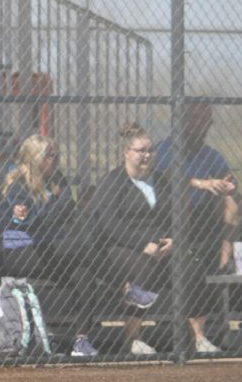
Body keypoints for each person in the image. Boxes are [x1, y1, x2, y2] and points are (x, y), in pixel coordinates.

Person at [87, 122, 221, 355]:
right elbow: (108, 224)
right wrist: (142, 245)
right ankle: (132, 338)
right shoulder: (113, 181)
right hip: (120, 248)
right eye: (141, 150)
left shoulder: (160, 181)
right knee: (144, 269)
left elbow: (176, 217)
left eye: (150, 150)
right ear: (127, 153)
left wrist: (175, 240)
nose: (147, 155)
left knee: (192, 268)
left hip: (161, 246)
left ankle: (199, 338)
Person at [154, 101, 242, 351]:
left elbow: (228, 179)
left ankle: (225, 261)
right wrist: (200, 183)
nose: (200, 126)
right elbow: (166, 177)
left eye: (205, 121)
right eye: (195, 120)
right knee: (181, 195)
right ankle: (196, 334)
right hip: (171, 219)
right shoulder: (165, 149)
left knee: (233, 201)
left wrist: (226, 186)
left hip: (207, 221)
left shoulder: (212, 155)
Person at [1, 134, 98, 357]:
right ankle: (120, 279)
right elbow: (32, 221)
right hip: (23, 252)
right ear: (34, 158)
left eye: (57, 156)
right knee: (85, 249)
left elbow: (65, 211)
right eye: (49, 156)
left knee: (85, 276)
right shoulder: (19, 184)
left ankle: (81, 340)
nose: (55, 161)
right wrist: (21, 215)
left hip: (54, 251)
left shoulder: (58, 180)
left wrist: (51, 211)